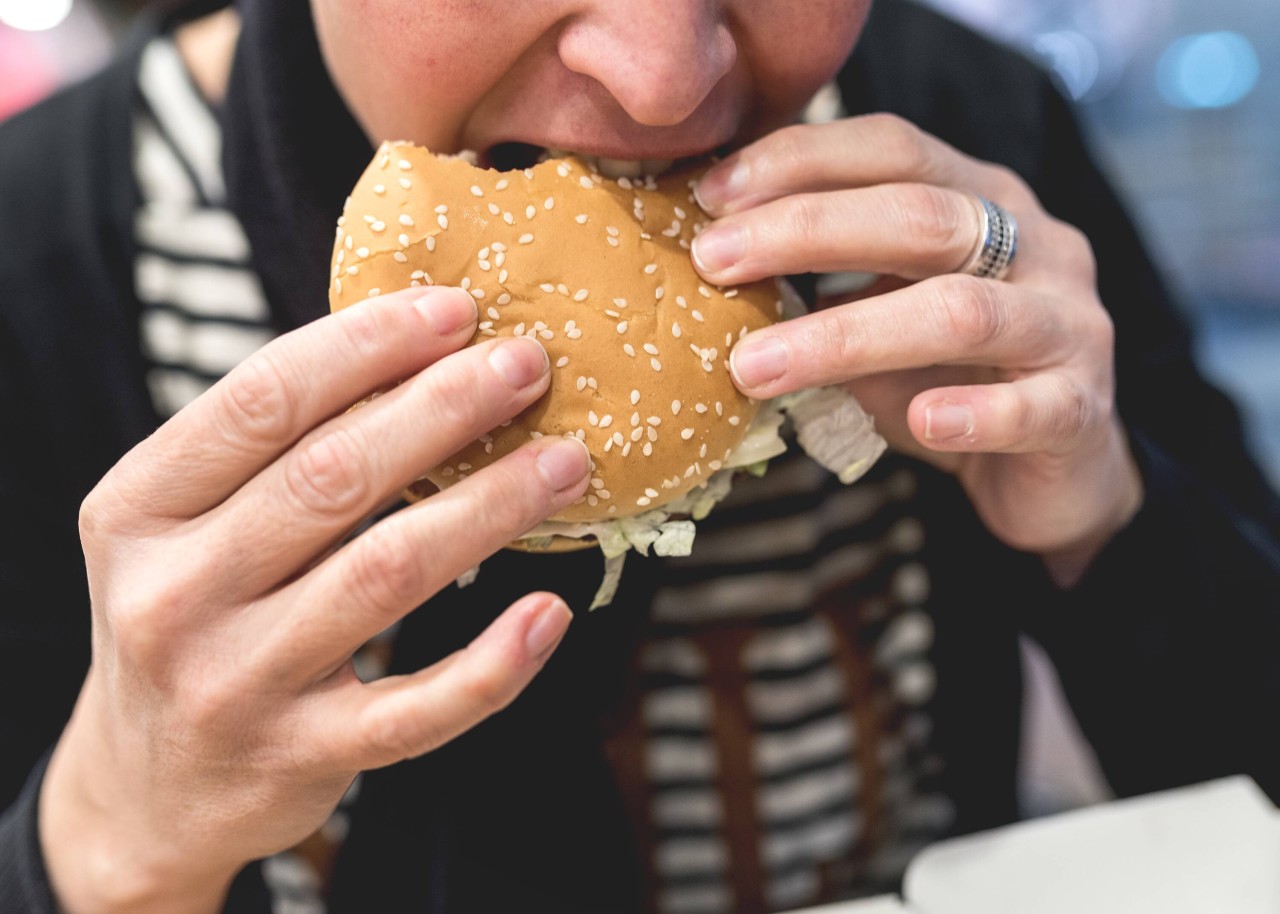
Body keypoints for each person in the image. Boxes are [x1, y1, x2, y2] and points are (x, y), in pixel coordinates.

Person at [1, 0, 1277, 911]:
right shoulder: (36, 251)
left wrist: (1106, 522)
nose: (663, 78)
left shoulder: (968, 139)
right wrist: (111, 842)